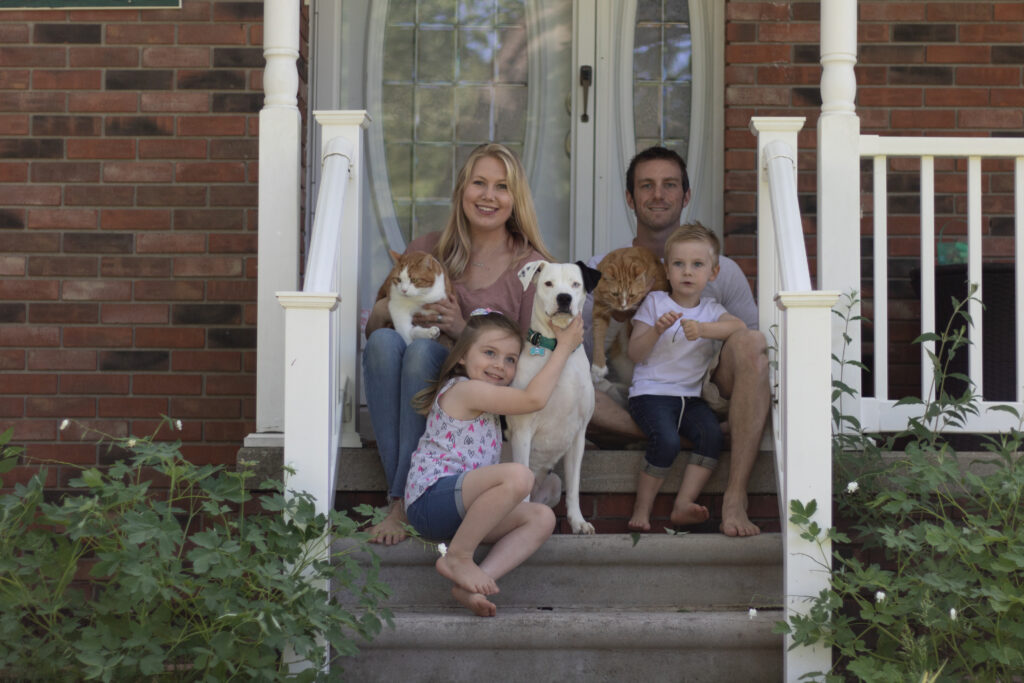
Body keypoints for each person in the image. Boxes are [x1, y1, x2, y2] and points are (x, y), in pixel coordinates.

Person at [362, 143, 554, 545]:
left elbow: (528, 350)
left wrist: (460, 326)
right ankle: (407, 492)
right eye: (478, 183)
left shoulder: (530, 264)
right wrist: (392, 307)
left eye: (501, 187)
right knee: (382, 343)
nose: (488, 195)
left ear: (515, 199)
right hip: (415, 370)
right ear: (461, 190)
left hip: (472, 400)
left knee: (422, 353)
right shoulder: (428, 248)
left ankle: (399, 502)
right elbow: (375, 323)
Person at [585, 146, 768, 537]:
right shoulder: (601, 268)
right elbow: (576, 346)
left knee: (752, 344)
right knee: (567, 385)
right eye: (646, 186)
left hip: (700, 390)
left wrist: (708, 328)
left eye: (670, 185)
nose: (658, 194)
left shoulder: (724, 272)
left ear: (685, 196)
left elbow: (751, 344)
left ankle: (735, 496)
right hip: (631, 393)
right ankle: (681, 435)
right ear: (630, 199)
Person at [404, 310, 583, 617]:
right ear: (461, 356)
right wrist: (563, 348)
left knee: (541, 517)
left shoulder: (488, 402)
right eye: (490, 353)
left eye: (511, 359)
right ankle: (458, 557)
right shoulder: (465, 389)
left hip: (466, 513)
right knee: (518, 476)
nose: (500, 365)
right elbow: (532, 400)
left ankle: (471, 584)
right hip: (430, 502)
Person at [626, 223, 746, 531]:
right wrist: (656, 330)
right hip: (651, 394)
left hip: (690, 398)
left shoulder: (711, 309)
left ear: (713, 273)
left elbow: (740, 328)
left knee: (711, 437)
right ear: (667, 271)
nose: (687, 272)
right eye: (679, 264)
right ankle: (642, 509)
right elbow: (634, 353)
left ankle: (682, 505)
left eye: (697, 265)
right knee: (666, 441)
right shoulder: (655, 304)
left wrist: (704, 329)